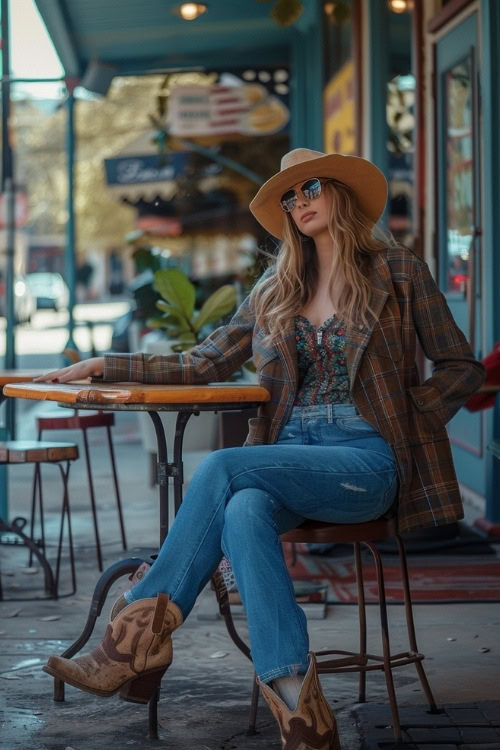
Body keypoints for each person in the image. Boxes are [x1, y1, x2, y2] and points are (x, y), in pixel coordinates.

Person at [34, 148, 486, 750]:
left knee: (223, 467)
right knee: (243, 509)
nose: (299, 203)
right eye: (288, 197)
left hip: (366, 460)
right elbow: (202, 360)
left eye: (311, 188)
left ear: (342, 195)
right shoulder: (279, 286)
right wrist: (105, 364)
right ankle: (301, 711)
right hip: (289, 454)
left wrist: (411, 416)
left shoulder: (399, 271)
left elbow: (461, 367)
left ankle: (133, 637)